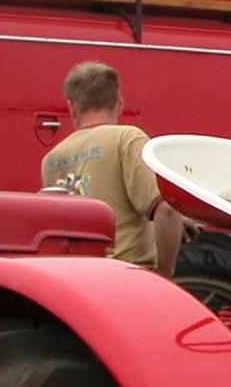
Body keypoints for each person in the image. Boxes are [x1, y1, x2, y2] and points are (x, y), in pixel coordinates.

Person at [40, 61, 182, 276]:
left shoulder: (52, 159)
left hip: (74, 277)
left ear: (71, 107)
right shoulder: (126, 139)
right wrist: (165, 275)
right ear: (119, 103)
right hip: (124, 275)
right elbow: (167, 211)